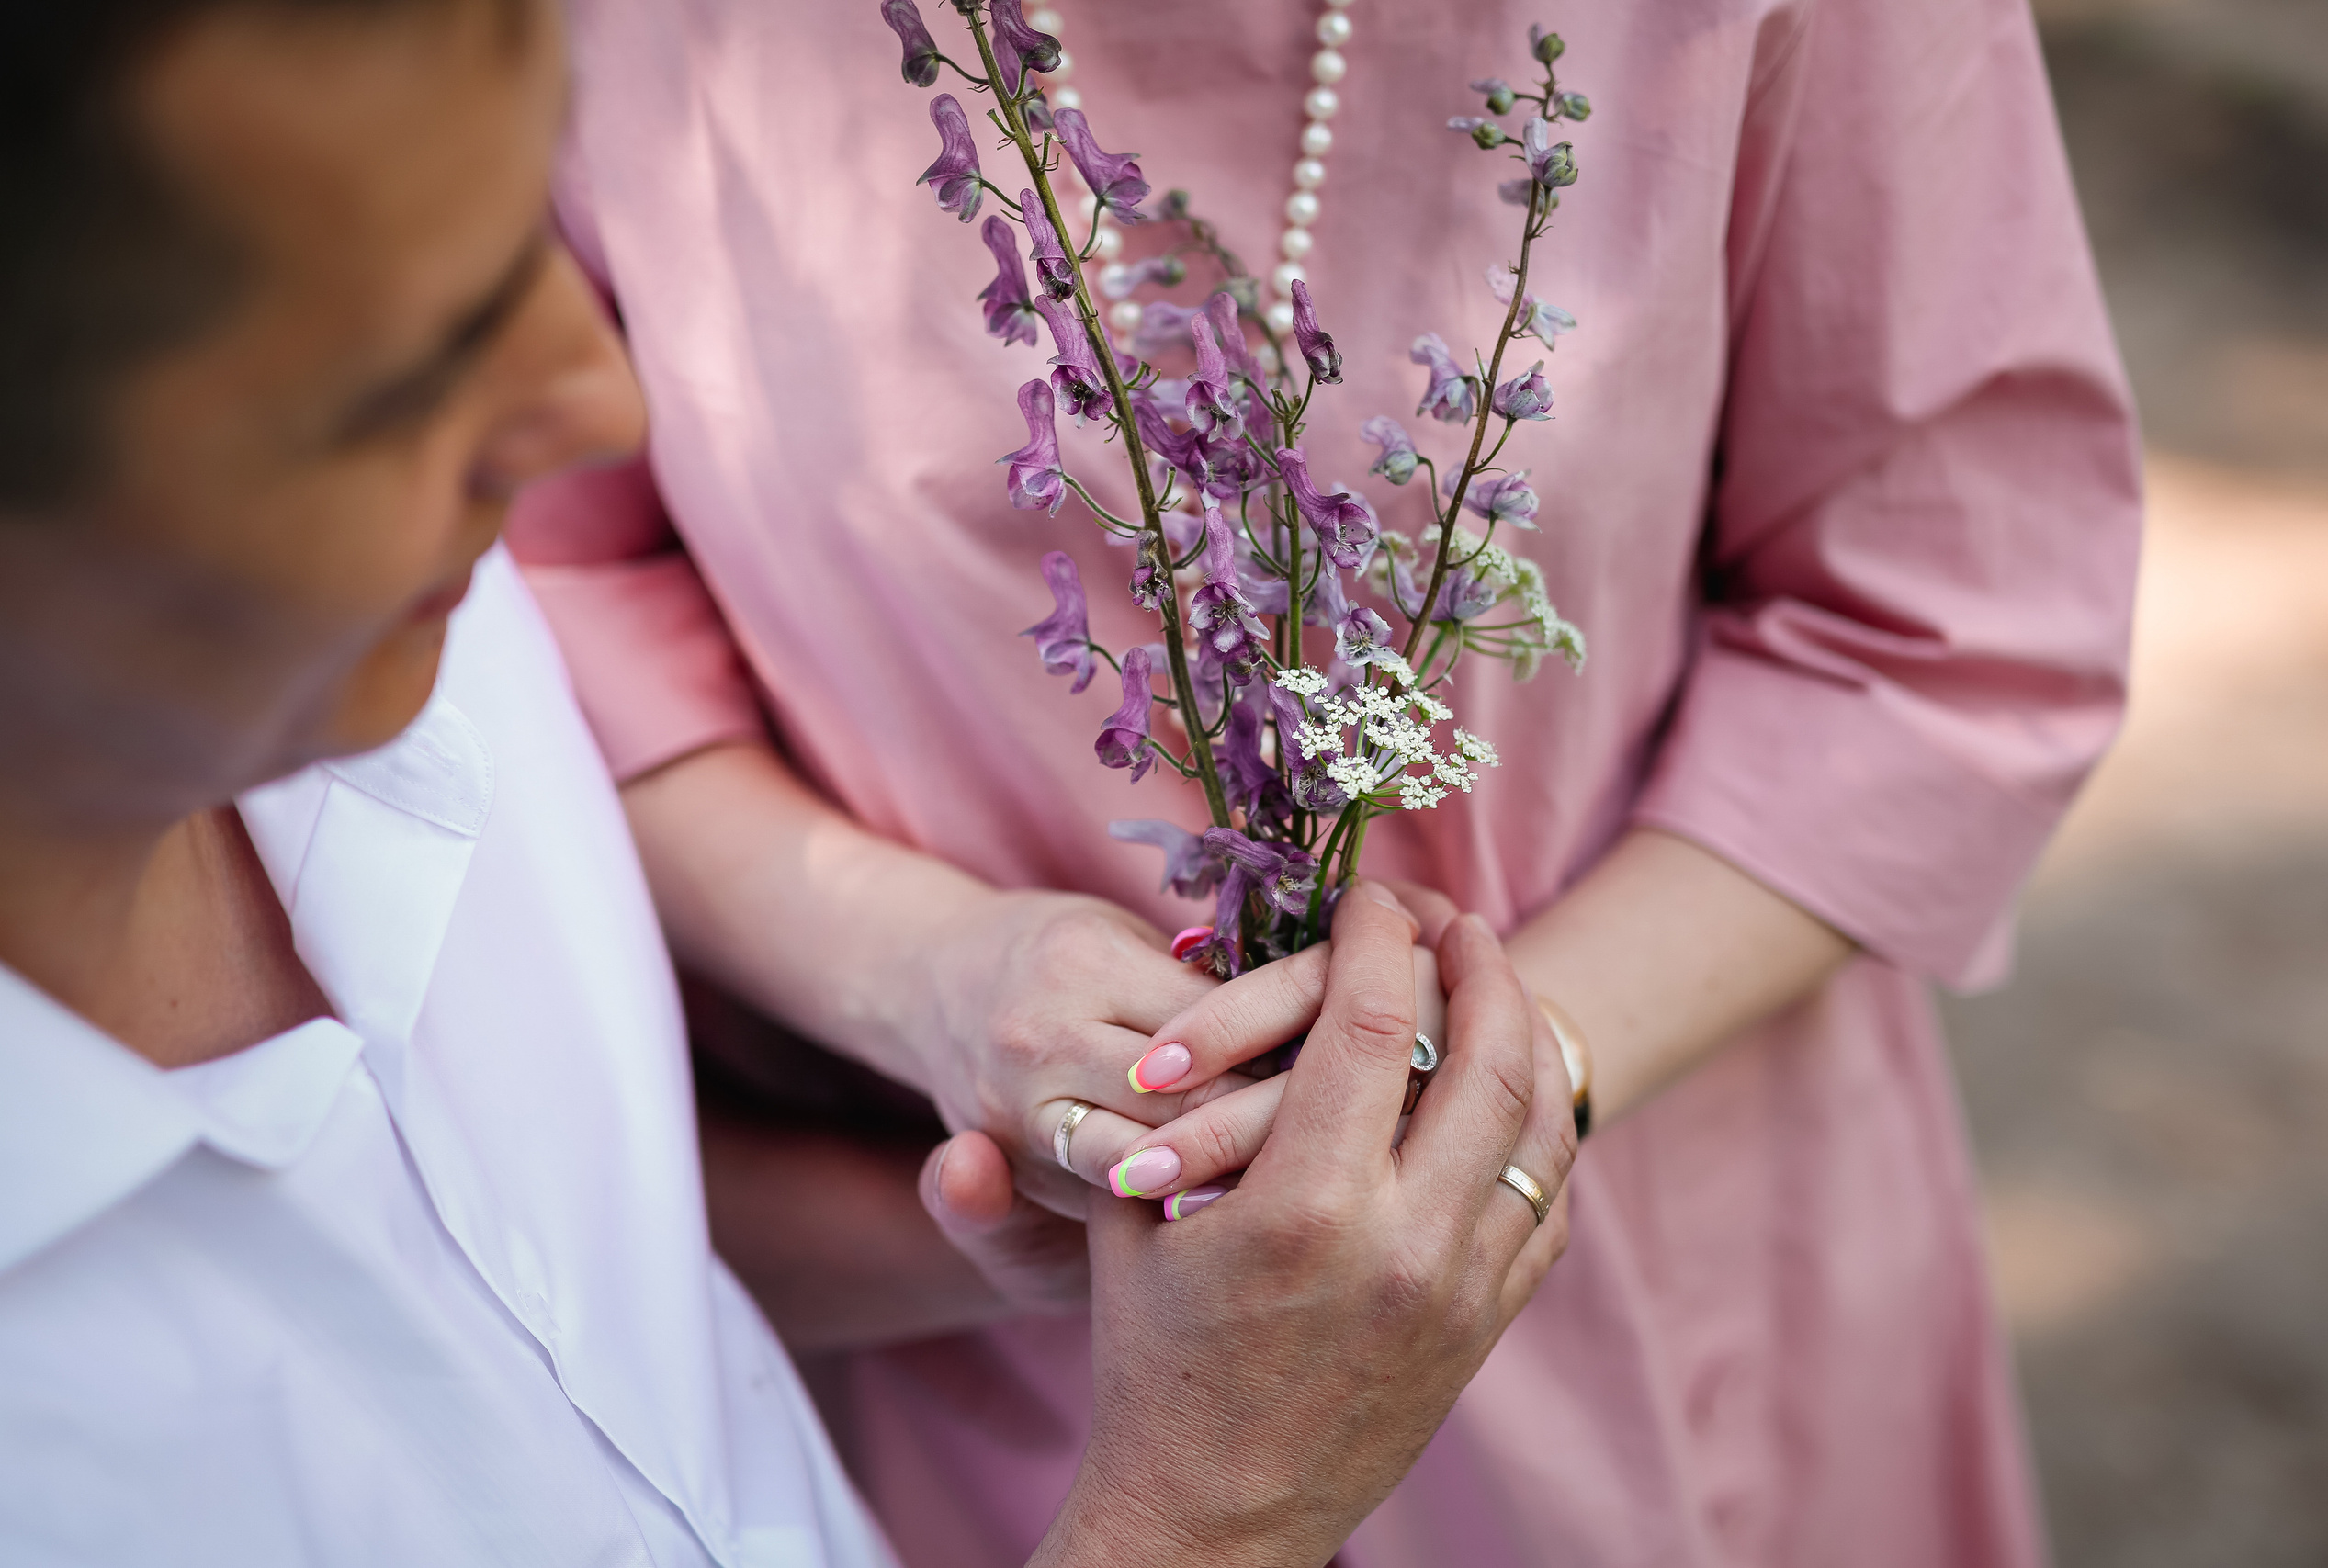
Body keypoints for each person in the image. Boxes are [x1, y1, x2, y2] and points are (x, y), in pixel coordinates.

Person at [508, 0, 2144, 1562]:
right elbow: (532, 599)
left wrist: (1477, 1097)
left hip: (1628, 1261)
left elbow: (1950, 608)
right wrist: (929, 976)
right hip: (970, 1269)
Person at [0, 1, 1580, 1562]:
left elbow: (510, 1266)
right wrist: (1210, 1511)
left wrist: (1029, 1201)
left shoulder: (432, 659)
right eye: (405, 368)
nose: (605, 405)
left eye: (524, 240)